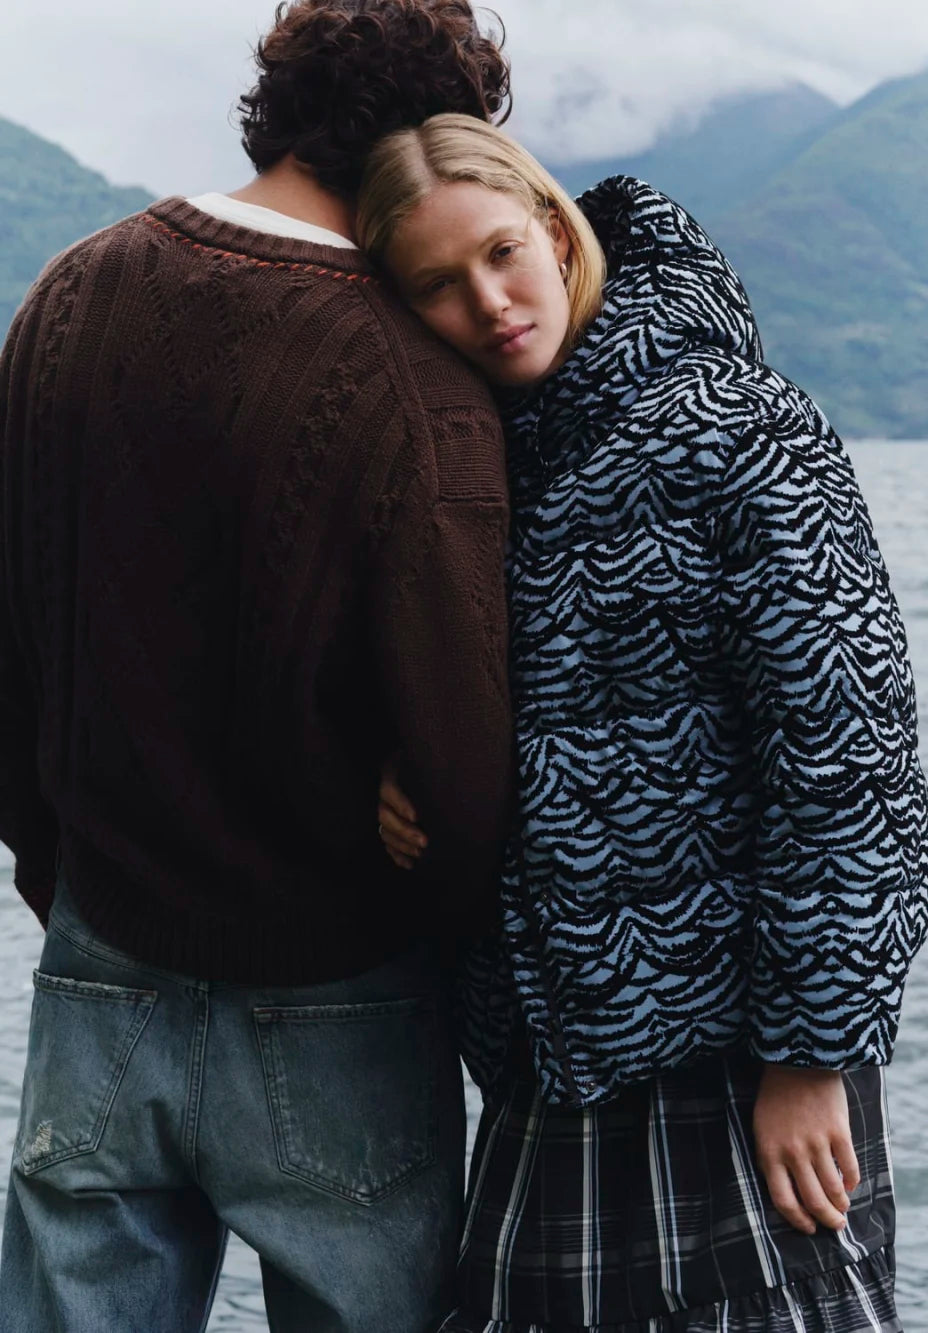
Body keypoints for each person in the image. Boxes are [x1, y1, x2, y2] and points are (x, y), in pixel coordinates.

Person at [361, 114, 928, 1331]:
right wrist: (407, 775)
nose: (488, 301)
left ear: (558, 228)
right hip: (544, 1067)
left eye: (502, 253)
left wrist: (809, 1054)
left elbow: (849, 759)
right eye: (438, 285)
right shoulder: (474, 468)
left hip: (737, 1060)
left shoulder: (741, 429)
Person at [0, 7, 516, 1331]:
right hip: (339, 980)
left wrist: (56, 874)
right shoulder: (418, 379)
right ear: (422, 146)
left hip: (99, 949)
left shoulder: (64, 293)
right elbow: (466, 769)